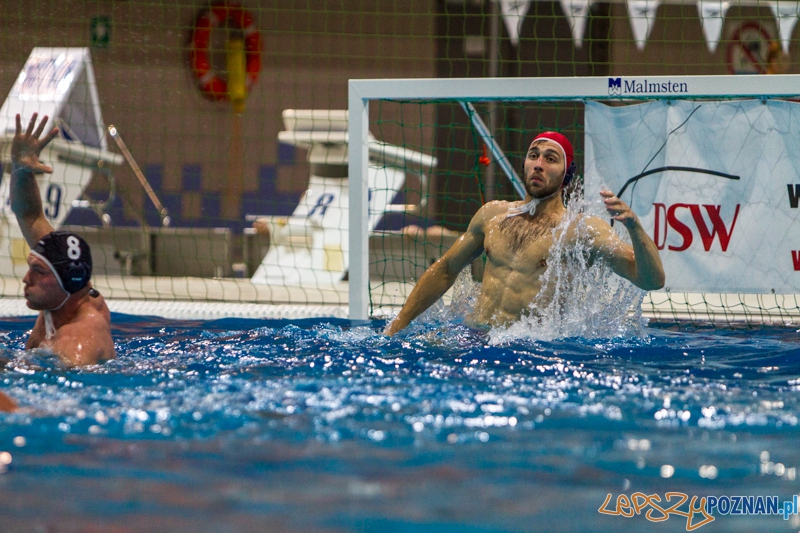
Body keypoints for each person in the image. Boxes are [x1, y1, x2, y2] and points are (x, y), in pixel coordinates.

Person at [385, 131, 665, 336]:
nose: (539, 164)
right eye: (533, 156)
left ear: (567, 175)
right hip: (473, 337)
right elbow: (446, 269)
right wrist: (397, 326)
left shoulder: (579, 230)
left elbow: (650, 280)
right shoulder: (493, 215)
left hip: (528, 349)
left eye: (550, 158)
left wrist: (634, 227)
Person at [9, 113, 115, 365]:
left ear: (65, 282)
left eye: (37, 270)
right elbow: (30, 215)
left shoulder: (78, 340)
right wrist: (20, 168)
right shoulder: (66, 281)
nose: (26, 278)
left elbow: (63, 397)